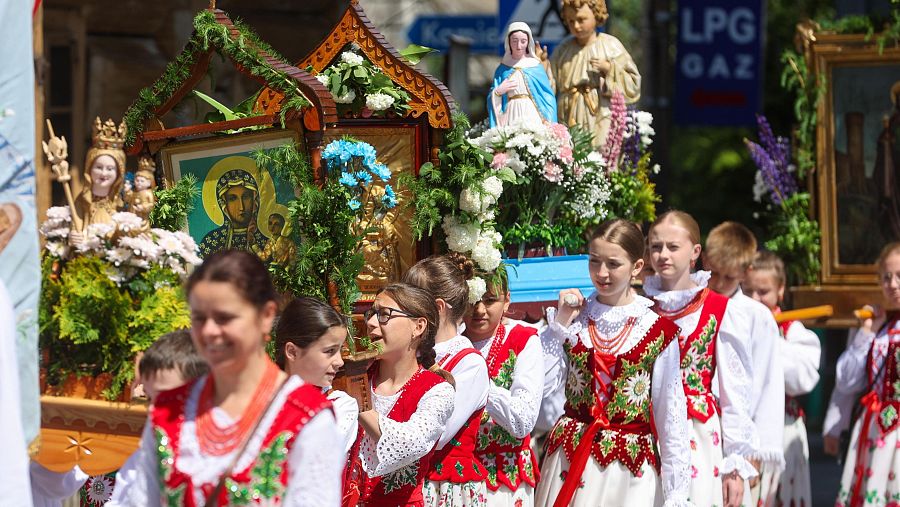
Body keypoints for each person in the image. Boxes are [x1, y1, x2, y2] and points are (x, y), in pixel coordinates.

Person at [107, 250, 343, 506]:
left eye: (224, 317)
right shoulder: (169, 410)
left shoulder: (306, 417)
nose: (208, 331)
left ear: (265, 317)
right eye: (199, 318)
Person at [535, 219, 691, 507]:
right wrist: (559, 324)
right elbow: (541, 387)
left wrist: (677, 492)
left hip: (628, 469)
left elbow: (671, 415)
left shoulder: (657, 331)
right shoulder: (574, 319)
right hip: (570, 457)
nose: (601, 273)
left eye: (613, 264)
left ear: (637, 267)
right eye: (594, 262)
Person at [643, 211, 759, 507]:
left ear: (695, 252)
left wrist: (735, 463)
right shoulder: (639, 308)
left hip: (698, 436)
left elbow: (736, 393)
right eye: (656, 246)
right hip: (644, 431)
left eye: (673, 246)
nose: (663, 254)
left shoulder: (720, 309)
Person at [703, 222, 785, 507]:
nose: (719, 283)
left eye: (728, 277)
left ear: (745, 272)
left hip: (739, 437)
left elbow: (767, 384)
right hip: (700, 433)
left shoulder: (756, 316)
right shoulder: (693, 305)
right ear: (703, 260)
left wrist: (756, 451)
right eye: (713, 273)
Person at [403, 254, 491, 507]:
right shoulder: (413, 352)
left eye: (409, 304)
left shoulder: (468, 363)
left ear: (438, 308)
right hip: (410, 482)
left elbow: (437, 434)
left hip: (445, 488)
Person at [358, 283, 456, 507]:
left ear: (418, 326)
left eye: (384, 315)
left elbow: (408, 444)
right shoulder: (358, 377)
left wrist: (359, 402)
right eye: (371, 314)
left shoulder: (438, 391)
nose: (371, 323)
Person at [824, 242, 900, 507]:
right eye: (887, 277)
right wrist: (866, 332)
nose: (893, 284)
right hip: (874, 430)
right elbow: (846, 381)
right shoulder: (875, 328)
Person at [744, 251, 820, 507]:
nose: (755, 299)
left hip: (785, 431)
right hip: (744, 430)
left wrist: (768, 340)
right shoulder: (734, 323)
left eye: (763, 291)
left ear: (780, 290)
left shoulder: (794, 331)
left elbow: (803, 380)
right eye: (748, 291)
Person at [462, 269, 543, 506]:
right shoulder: (450, 343)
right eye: (472, 300)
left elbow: (523, 421)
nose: (479, 309)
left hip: (503, 480)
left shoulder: (523, 340)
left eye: (490, 300)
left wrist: (479, 383)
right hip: (454, 477)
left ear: (507, 300)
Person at [543, 0, 641, 148]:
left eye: (581, 19)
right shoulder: (562, 50)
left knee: (601, 155)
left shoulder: (610, 46)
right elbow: (549, 86)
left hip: (599, 115)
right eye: (571, 21)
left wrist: (610, 68)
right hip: (568, 115)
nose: (576, 26)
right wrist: (543, 66)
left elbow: (633, 83)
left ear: (597, 15)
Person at [275, 296, 359, 454]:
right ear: (292, 352)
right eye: (330, 351)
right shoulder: (258, 396)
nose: (340, 362)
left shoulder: (339, 406)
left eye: (339, 350)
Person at [489, 22, 558, 129]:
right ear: (509, 42)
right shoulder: (502, 69)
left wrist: (549, 120)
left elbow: (547, 95)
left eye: (523, 41)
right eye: (514, 41)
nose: (518, 46)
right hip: (511, 113)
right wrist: (498, 92)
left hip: (532, 113)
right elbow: (492, 96)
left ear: (528, 42)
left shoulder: (535, 66)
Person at [198, 170, 269, 257]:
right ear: (224, 204)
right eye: (232, 199)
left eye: (246, 197)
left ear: (254, 201)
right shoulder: (211, 242)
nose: (241, 207)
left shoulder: (266, 244)